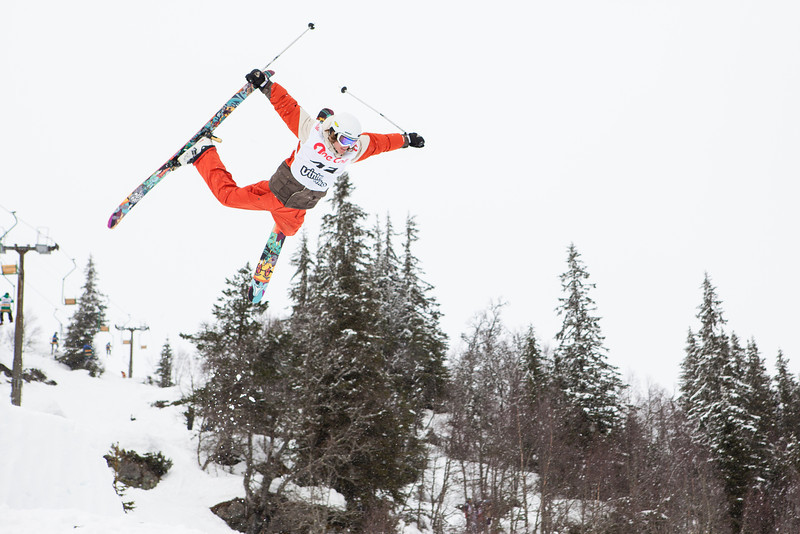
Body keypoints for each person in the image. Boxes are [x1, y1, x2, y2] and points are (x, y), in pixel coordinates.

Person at [177, 69, 425, 237]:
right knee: (228, 198)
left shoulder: (353, 150)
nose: (348, 147)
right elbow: (288, 108)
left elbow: (380, 143)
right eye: (345, 140)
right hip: (280, 197)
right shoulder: (312, 134)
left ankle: (283, 217)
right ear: (333, 133)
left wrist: (405, 140)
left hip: (298, 203)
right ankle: (203, 153)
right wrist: (265, 85)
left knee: (291, 229)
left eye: (353, 142)